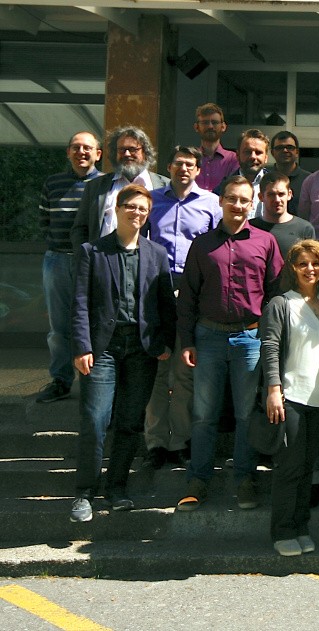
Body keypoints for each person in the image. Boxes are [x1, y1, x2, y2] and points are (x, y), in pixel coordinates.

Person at [69, 184, 176, 522]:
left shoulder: (157, 254)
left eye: (143, 208)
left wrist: (166, 344)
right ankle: (84, 493)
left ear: (148, 215)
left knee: (130, 424)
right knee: (95, 421)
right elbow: (81, 303)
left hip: (142, 351)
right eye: (130, 206)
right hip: (103, 349)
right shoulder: (92, 251)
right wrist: (82, 346)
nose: (136, 213)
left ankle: (116, 488)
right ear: (116, 209)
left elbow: (165, 305)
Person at [176, 176, 283, 511]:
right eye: (232, 199)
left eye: (244, 200)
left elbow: (276, 295)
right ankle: (198, 479)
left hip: (249, 338)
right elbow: (188, 297)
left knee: (245, 414)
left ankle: (245, 479)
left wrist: (269, 339)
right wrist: (187, 340)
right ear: (221, 201)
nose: (238, 206)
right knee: (204, 415)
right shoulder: (202, 244)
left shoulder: (265, 242)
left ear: (252, 205)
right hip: (207, 337)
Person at [259, 240, 319, 556]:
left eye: (315, 264)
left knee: (309, 468)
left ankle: (301, 526)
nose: (310, 269)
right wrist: (273, 390)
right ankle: (282, 532)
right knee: (289, 468)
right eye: (302, 264)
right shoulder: (281, 304)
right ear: (292, 269)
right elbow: (270, 347)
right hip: (290, 397)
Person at [143, 145, 221, 469]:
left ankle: (180, 441)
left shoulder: (211, 204)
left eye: (190, 164)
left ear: (198, 169)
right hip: (158, 290)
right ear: (169, 166)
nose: (184, 169)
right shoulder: (153, 200)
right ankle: (156, 443)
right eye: (178, 163)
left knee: (185, 371)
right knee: (159, 370)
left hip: (193, 292)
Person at [37, 131, 103, 404]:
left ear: (98, 154)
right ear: (68, 152)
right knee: (59, 326)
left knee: (97, 321)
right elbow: (44, 222)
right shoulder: (53, 183)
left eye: (87, 148)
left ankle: (97, 380)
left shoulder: (105, 183)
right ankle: (61, 380)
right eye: (76, 147)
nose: (81, 152)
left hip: (95, 261)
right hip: (58, 260)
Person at [71, 126, 170, 250]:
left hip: (147, 262)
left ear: (145, 152)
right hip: (102, 260)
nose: (127, 154)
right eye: (122, 150)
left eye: (133, 149)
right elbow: (80, 229)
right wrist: (86, 257)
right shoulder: (96, 186)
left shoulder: (164, 186)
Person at [250, 170, 316, 255]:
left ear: (289, 194)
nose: (277, 200)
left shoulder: (305, 229)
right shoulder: (250, 228)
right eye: (271, 194)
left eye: (281, 194)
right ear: (261, 197)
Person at [193, 103, 239, 192]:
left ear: (223, 127)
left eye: (214, 122)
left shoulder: (234, 159)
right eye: (205, 122)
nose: (210, 126)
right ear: (196, 127)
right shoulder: (190, 158)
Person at [270, 131, 311, 215]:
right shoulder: (265, 177)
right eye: (279, 148)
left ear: (297, 152)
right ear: (272, 153)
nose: (285, 150)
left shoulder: (309, 180)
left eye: (290, 147)